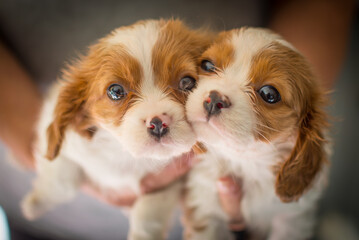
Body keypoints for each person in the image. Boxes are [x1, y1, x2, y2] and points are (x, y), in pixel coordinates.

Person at [0, 0, 355, 239]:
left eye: (186, 83)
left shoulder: (222, 126)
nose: (156, 115)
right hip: (45, 215)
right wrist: (44, 152)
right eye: (209, 68)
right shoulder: (70, 109)